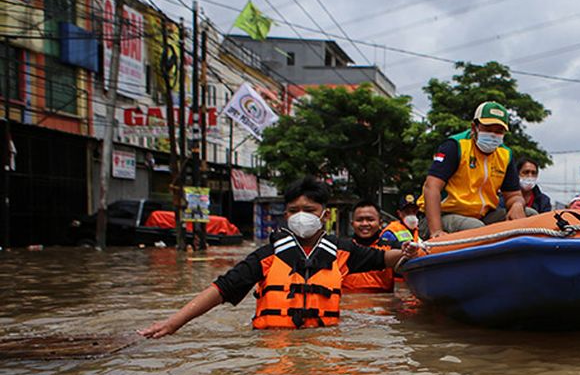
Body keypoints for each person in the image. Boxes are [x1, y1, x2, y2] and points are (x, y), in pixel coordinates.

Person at [139, 176, 417, 336]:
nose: (301, 215)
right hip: (270, 346)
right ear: (285, 215)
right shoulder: (268, 255)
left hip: (325, 344)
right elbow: (221, 289)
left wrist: (408, 252)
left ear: (325, 214)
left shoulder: (342, 251)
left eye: (309, 209)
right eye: (294, 210)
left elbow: (383, 259)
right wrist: (173, 323)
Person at [419, 101, 524, 239]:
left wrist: (517, 204)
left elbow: (514, 196)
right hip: (443, 215)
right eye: (488, 128)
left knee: (530, 215)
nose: (493, 135)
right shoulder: (455, 146)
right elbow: (431, 187)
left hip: (483, 216)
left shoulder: (505, 155)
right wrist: (436, 231)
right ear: (474, 127)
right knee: (476, 229)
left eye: (498, 131)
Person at [342, 200, 398, 293]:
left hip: (381, 302)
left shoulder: (392, 248)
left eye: (370, 220)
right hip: (347, 300)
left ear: (380, 223)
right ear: (352, 224)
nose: (364, 224)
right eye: (359, 220)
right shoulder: (342, 248)